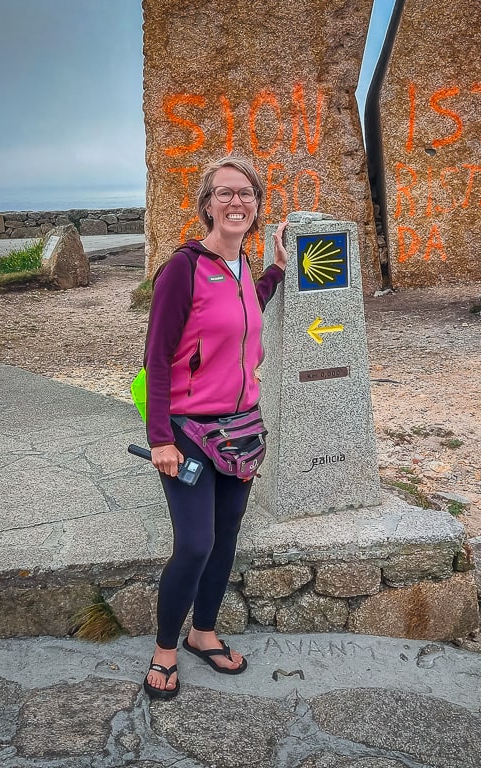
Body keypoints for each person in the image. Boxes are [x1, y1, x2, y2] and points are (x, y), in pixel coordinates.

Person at [142, 155, 287, 700]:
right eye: (224, 192)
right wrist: (161, 438)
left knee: (226, 537)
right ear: (207, 205)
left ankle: (203, 632)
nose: (235, 202)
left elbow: (248, 306)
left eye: (245, 193)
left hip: (240, 431)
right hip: (189, 433)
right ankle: (165, 649)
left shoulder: (243, 268)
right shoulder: (183, 268)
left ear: (256, 205)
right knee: (195, 544)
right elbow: (157, 359)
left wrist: (275, 271)